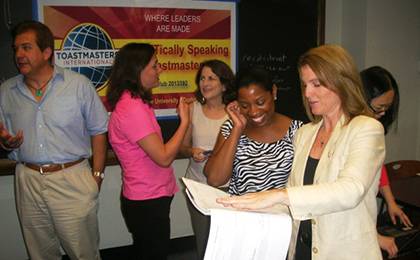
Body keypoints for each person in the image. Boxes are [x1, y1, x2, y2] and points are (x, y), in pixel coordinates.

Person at [217, 45, 386, 260]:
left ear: (341, 81)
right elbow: (296, 194)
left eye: (316, 84)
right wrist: (246, 207)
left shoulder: (365, 128)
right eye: (305, 85)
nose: (307, 93)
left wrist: (277, 195)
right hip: (302, 249)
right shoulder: (305, 133)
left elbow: (351, 190)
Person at [0, 20, 108, 260]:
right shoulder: (6, 92)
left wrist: (97, 177)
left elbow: (99, 130)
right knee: (39, 254)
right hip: (27, 180)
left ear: (47, 52)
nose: (19, 54)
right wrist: (6, 143)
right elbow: (3, 135)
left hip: (71, 178)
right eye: (16, 48)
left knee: (83, 254)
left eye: (26, 48)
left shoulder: (77, 85)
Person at [107, 42, 189, 260]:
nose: (160, 69)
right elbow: (163, 157)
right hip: (147, 201)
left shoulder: (136, 103)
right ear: (136, 71)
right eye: (155, 65)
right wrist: (184, 123)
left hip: (150, 197)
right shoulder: (132, 108)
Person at [204, 67, 303, 195]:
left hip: (282, 213)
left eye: (260, 102)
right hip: (242, 212)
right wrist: (237, 129)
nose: (253, 111)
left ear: (273, 92)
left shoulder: (297, 130)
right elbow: (215, 179)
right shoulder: (230, 128)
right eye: (244, 105)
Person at [179, 59, 235, 259]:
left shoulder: (235, 112)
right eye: (202, 78)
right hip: (198, 187)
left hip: (228, 188)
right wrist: (191, 151)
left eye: (211, 78)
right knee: (204, 241)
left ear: (224, 84)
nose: (205, 83)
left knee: (228, 242)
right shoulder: (192, 108)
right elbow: (182, 147)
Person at [361, 66, 413, 258]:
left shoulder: (373, 128)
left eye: (387, 108)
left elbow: (378, 166)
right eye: (379, 108)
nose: (383, 113)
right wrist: (373, 236)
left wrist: (391, 202)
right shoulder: (351, 131)